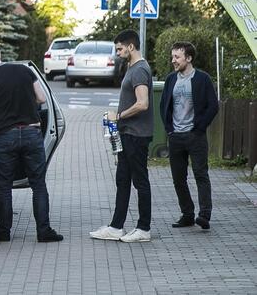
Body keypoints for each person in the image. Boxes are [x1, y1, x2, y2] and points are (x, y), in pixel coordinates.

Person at [0, 42, 63, 243]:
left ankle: (3, 231)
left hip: (5, 137)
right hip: (32, 133)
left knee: (3, 186)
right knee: (38, 184)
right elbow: (41, 98)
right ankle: (44, 232)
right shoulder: (23, 70)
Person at [90, 29, 153, 243]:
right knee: (123, 180)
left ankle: (143, 228)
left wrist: (119, 116)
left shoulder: (140, 70)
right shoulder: (132, 68)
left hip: (137, 135)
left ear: (131, 47)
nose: (117, 52)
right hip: (127, 134)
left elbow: (143, 103)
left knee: (140, 181)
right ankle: (116, 227)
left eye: (119, 48)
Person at [159, 41, 219, 230]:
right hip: (176, 137)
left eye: (177, 57)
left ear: (189, 58)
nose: (173, 60)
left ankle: (204, 215)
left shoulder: (202, 79)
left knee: (201, 175)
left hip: (195, 136)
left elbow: (213, 106)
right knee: (178, 178)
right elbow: (163, 106)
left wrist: (200, 128)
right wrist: (169, 129)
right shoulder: (171, 79)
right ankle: (187, 215)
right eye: (172, 56)